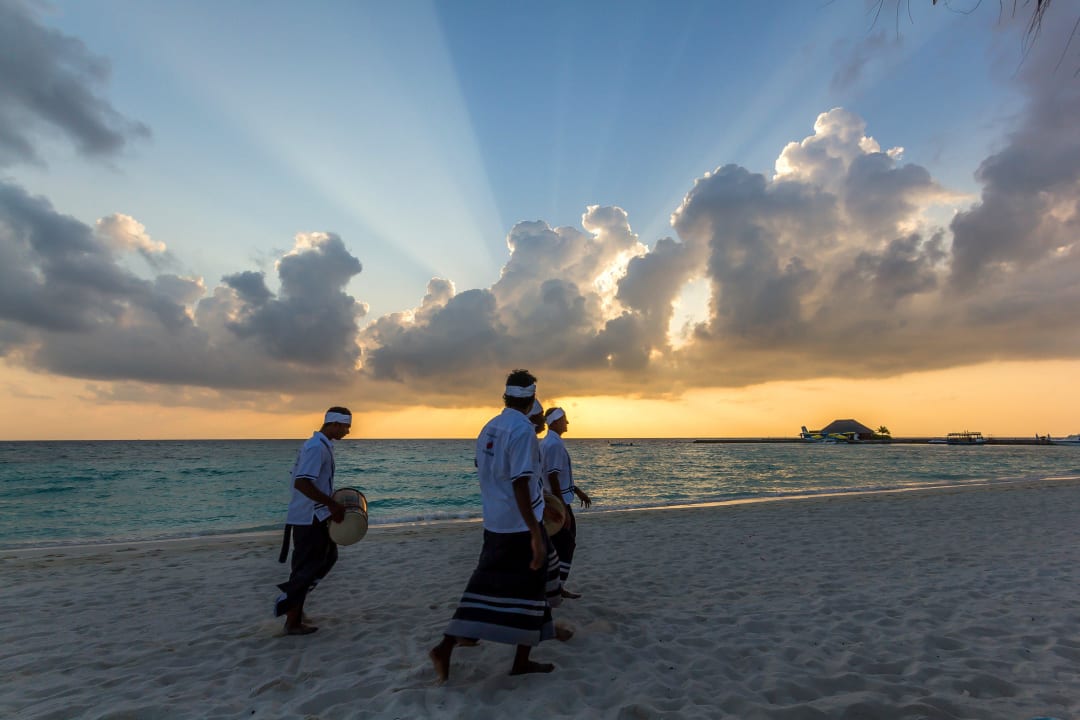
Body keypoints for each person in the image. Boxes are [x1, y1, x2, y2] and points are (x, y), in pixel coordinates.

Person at [430, 370, 560, 681]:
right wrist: (534, 533)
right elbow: (519, 482)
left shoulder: (490, 427)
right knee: (531, 588)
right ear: (531, 398)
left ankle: (453, 643)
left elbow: (486, 468)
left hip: (495, 522)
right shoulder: (522, 431)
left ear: (507, 396)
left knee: (487, 585)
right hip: (517, 525)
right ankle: (506, 659)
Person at [273, 407, 352, 635]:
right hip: (308, 518)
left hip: (315, 515)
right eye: (346, 426)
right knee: (308, 567)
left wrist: (331, 502)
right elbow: (302, 483)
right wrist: (332, 504)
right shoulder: (316, 447)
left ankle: (293, 603)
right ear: (334, 424)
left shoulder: (321, 445)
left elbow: (312, 482)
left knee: (325, 559)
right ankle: (291, 615)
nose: (348, 431)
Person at [541, 406, 591, 599]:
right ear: (554, 421)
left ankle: (553, 585)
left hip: (556, 500)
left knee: (556, 545)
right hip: (557, 503)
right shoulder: (553, 445)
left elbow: (560, 477)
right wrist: (562, 509)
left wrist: (578, 491)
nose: (567, 423)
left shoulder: (550, 443)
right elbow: (552, 477)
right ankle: (557, 587)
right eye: (564, 419)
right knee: (566, 544)